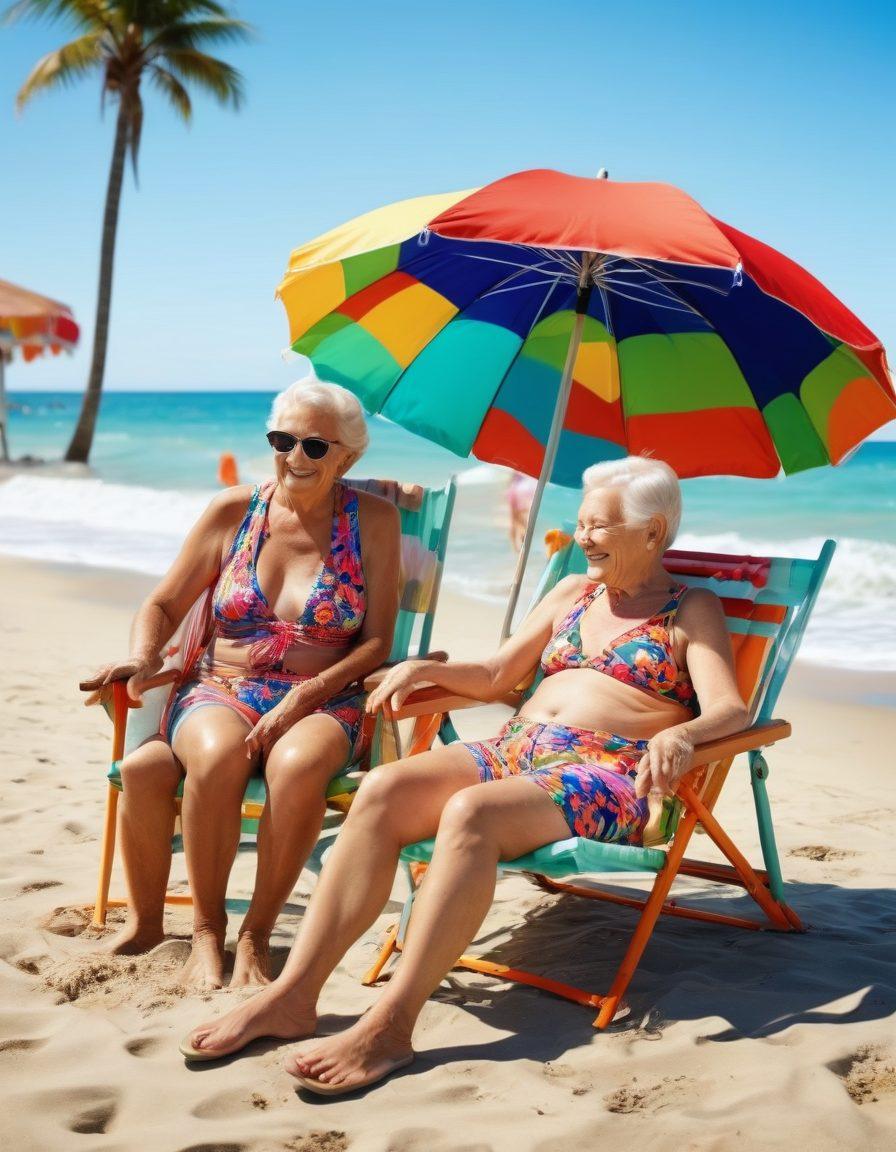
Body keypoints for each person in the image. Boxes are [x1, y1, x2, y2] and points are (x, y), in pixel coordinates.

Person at [182, 455, 749, 1092]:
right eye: (582, 523)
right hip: (519, 745)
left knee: (472, 813)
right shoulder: (571, 593)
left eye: (601, 527)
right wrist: (424, 669)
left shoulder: (689, 608)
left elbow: (731, 708)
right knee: (384, 789)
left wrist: (682, 732)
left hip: (609, 772)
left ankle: (391, 1026)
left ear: (653, 532)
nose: (584, 537)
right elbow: (495, 677)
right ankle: (293, 996)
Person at [80, 377, 400, 989]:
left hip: (327, 697)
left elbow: (377, 641)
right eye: (283, 439)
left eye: (315, 446)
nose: (294, 457)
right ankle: (207, 932)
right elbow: (163, 603)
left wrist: (307, 694)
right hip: (222, 686)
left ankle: (255, 935)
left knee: (300, 765)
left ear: (348, 457)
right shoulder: (234, 510)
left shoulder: (375, 522)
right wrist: (144, 659)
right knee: (219, 751)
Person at [506, 470, 537, 551]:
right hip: (520, 495)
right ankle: (521, 545)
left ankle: (516, 546)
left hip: (513, 493)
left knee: (514, 521)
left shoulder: (517, 470)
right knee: (520, 522)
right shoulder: (525, 471)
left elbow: (511, 481)